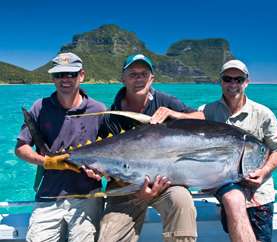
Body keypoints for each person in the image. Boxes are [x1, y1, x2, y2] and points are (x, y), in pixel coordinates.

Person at [85, 53, 204, 242]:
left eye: (144, 74)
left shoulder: (165, 101)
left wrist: (174, 113)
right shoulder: (111, 116)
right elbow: (105, 160)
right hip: (126, 186)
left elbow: (200, 118)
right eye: (132, 74)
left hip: (166, 182)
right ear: (122, 79)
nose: (139, 78)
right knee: (108, 238)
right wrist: (98, 171)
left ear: (152, 78)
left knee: (182, 202)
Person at [15, 52, 106, 242]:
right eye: (59, 74)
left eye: (71, 74)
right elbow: (21, 148)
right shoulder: (40, 108)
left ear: (82, 75)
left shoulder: (99, 110)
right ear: (53, 78)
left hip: (87, 196)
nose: (65, 79)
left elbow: (112, 153)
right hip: (48, 196)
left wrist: (102, 171)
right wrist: (47, 162)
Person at [199, 59, 277, 242]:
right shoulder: (206, 111)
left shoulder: (263, 114)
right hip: (223, 183)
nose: (233, 84)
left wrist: (263, 173)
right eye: (228, 79)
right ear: (220, 81)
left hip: (259, 190)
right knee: (232, 199)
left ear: (247, 82)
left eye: (239, 79)